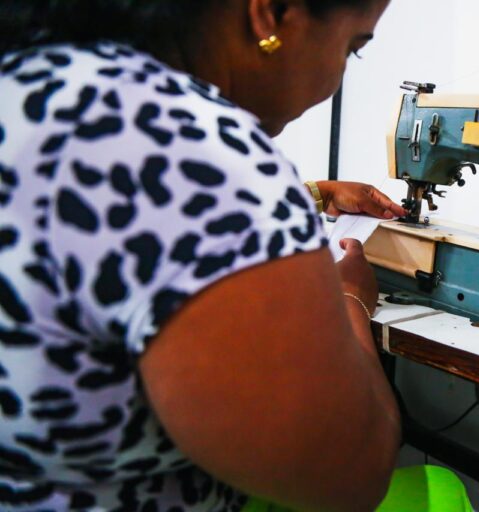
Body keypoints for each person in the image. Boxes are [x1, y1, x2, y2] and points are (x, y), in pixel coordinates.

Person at [0, 0, 404, 510]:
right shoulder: (197, 152)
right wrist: (350, 301)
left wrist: (314, 194)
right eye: (352, 48)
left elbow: (88, 210)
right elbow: (348, 474)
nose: (336, 78)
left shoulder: (32, 84)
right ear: (272, 14)